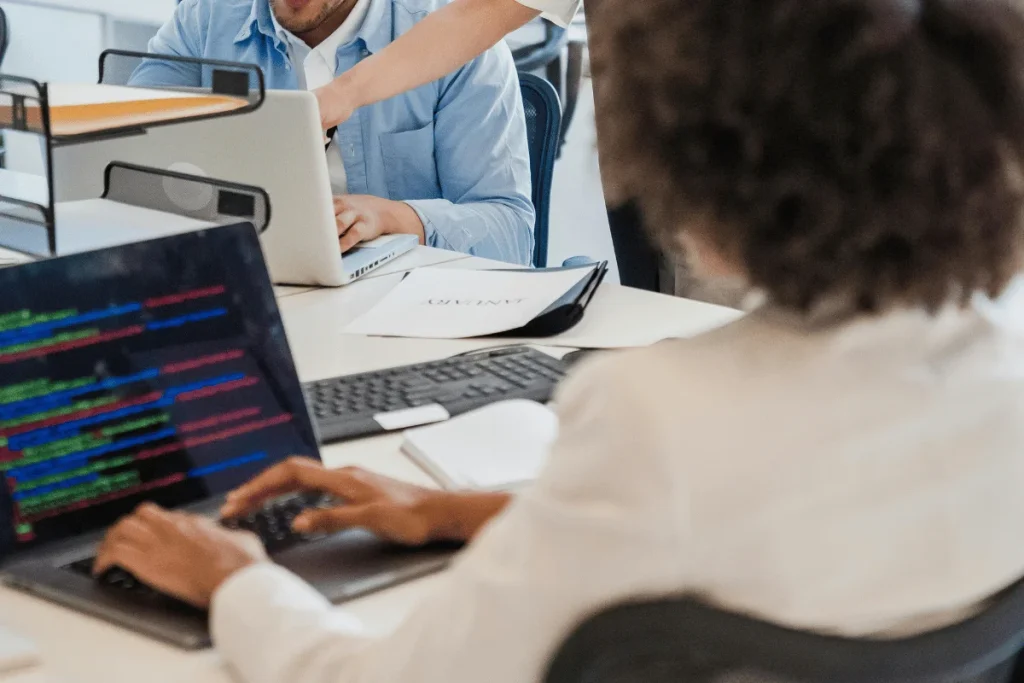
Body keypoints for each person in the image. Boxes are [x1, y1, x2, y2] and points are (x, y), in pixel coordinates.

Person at [96, 0, 1024, 682]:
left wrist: (235, 581)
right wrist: (473, 512)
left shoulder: (654, 413)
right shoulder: (999, 364)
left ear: (703, 157)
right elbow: (760, 534)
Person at [129, 0, 536, 265]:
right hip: (250, 291)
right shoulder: (204, 21)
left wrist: (390, 217)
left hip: (402, 312)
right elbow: (129, 159)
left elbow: (511, 235)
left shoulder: (461, 38)